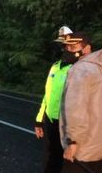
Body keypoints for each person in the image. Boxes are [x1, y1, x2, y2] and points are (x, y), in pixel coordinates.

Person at [59, 32, 102, 173]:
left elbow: (75, 109)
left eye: (73, 47)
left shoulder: (79, 69)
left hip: (84, 150)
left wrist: (73, 142)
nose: (68, 51)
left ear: (87, 49)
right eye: (67, 48)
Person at [35, 26, 74, 173]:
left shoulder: (77, 69)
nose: (62, 48)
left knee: (67, 163)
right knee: (50, 160)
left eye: (65, 45)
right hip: (51, 123)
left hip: (68, 126)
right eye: (60, 45)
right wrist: (39, 120)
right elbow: (47, 95)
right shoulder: (55, 67)